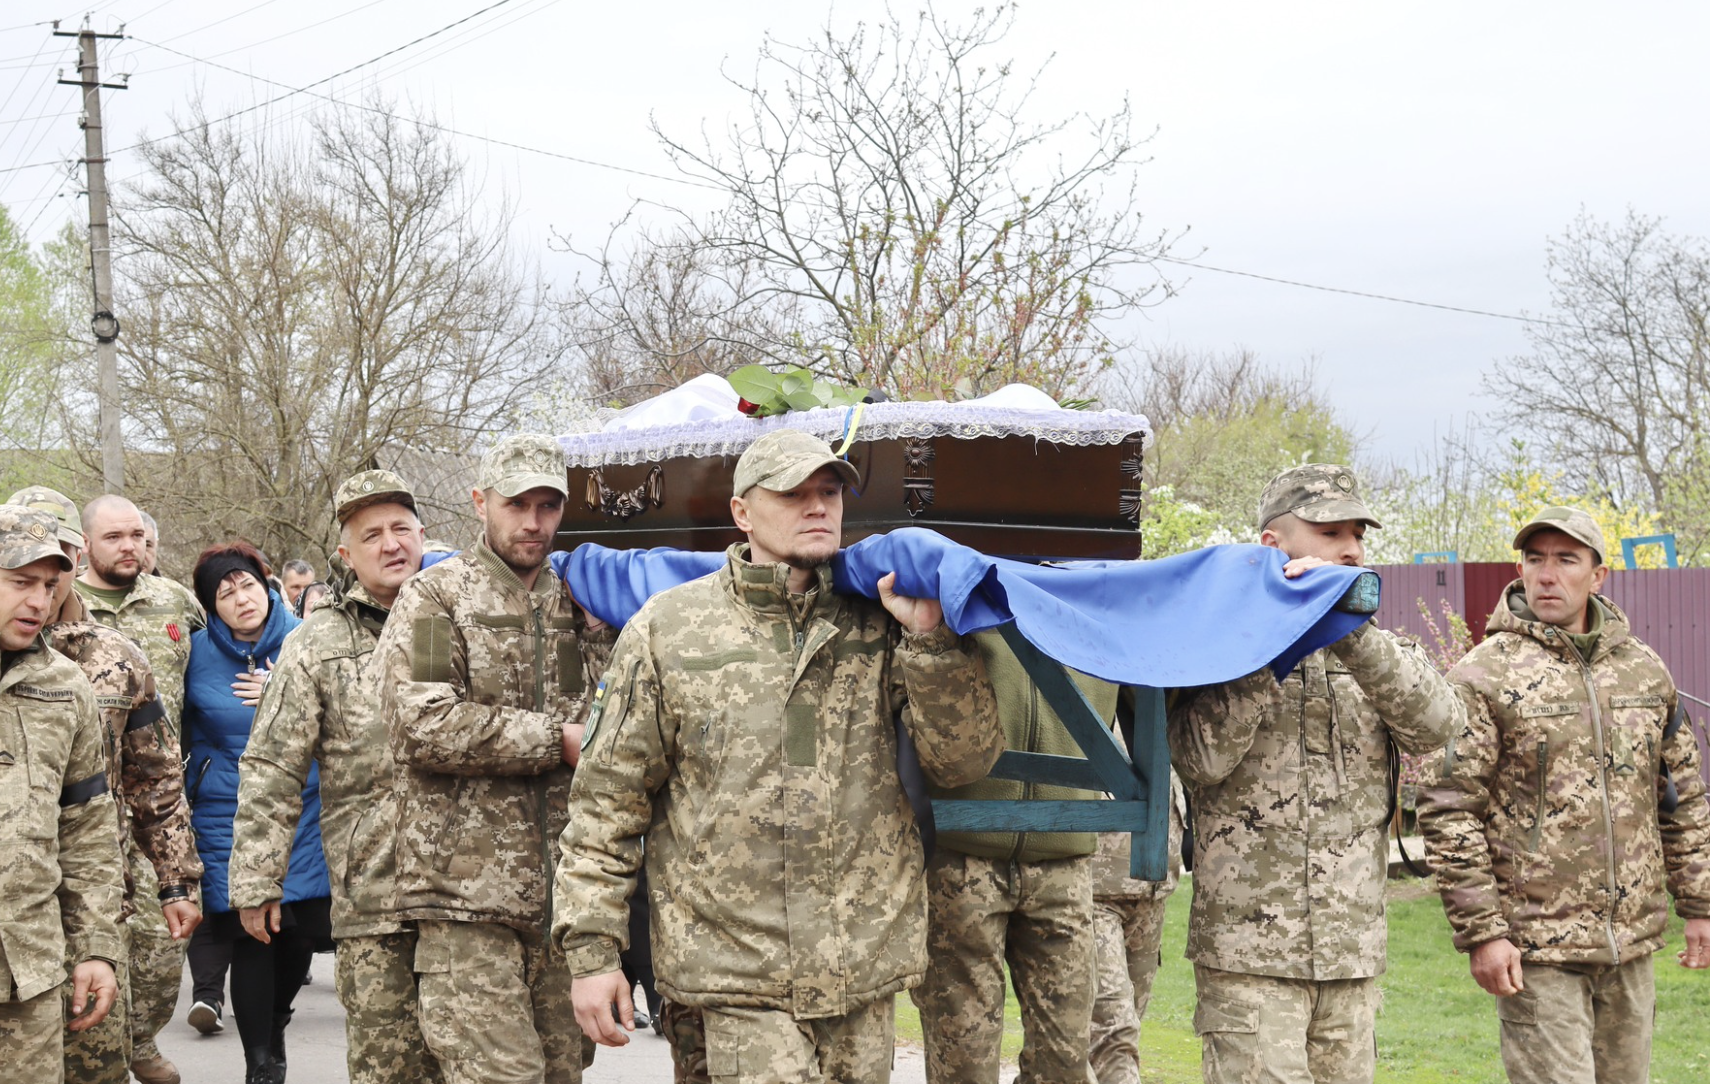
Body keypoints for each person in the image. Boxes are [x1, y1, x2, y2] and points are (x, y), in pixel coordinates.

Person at [555, 428, 1005, 1084]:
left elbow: (963, 764)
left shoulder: (881, 621)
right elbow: (605, 805)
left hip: (861, 970)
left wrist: (932, 643)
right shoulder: (669, 629)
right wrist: (593, 955)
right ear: (743, 512)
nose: (818, 506)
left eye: (829, 491)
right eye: (793, 493)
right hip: (731, 974)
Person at [1167, 464, 1462, 1084]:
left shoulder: (1380, 651)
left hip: (1350, 958)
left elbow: (1438, 726)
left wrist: (1349, 632)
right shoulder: (1220, 650)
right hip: (1249, 961)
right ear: (1273, 546)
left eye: (1357, 532)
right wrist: (1273, 648)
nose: (1350, 548)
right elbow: (1199, 760)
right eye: (1329, 531)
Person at [1417, 506, 1710, 1084]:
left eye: (1566, 560)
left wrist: (1700, 904)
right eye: (1535, 559)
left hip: (1629, 943)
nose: (1547, 575)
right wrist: (1483, 932)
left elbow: (1683, 797)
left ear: (1598, 576)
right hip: (1536, 948)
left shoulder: (1644, 672)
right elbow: (1449, 810)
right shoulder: (1483, 676)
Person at [371, 434, 601, 1084]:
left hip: (567, 900)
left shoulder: (583, 604)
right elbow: (424, 722)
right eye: (517, 503)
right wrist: (555, 741)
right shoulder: (436, 599)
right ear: (480, 501)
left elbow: (623, 712)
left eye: (548, 505)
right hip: (466, 900)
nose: (533, 522)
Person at [228, 470, 441, 1084]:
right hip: (376, 895)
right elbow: (272, 765)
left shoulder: (462, 620)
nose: (391, 543)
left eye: (401, 527)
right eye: (371, 534)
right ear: (345, 555)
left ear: (423, 535)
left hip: (473, 897)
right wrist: (256, 880)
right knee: (388, 1066)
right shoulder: (315, 643)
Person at [6, 486, 205, 1084]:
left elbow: (155, 779)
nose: (41, 592)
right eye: (23, 576)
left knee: (94, 1058)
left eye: (52, 570)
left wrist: (177, 882)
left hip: (87, 894)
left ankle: (134, 1044)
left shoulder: (102, 662)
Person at [913, 633, 1114, 1084]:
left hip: (1064, 853)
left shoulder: (1104, 579)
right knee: (962, 1062)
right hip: (960, 855)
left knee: (1065, 1062)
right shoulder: (961, 570)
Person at [182, 541, 327, 1084]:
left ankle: (276, 1020)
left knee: (299, 934)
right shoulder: (194, 653)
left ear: (265, 586)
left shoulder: (307, 641)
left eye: (247, 585)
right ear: (210, 606)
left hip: (303, 803)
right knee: (251, 932)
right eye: (225, 593)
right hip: (225, 807)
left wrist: (284, 689)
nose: (241, 599)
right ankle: (258, 1062)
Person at [75, 495, 206, 1084]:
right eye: (113, 538)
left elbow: (217, 666)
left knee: (162, 945)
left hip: (158, 801)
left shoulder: (174, 601)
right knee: (99, 943)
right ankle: (104, 1048)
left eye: (136, 535)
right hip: (89, 810)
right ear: (85, 547)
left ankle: (140, 1037)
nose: (129, 547)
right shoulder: (54, 609)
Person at [0, 504, 125, 1076]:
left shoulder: (64, 685)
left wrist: (97, 946)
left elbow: (87, 828)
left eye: (50, 586)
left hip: (29, 973)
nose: (39, 602)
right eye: (20, 582)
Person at [1086, 763, 1187, 1084]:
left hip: (1154, 892)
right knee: (1114, 1029)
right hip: (1095, 892)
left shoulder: (1164, 714)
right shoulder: (1098, 714)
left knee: (1124, 1029)